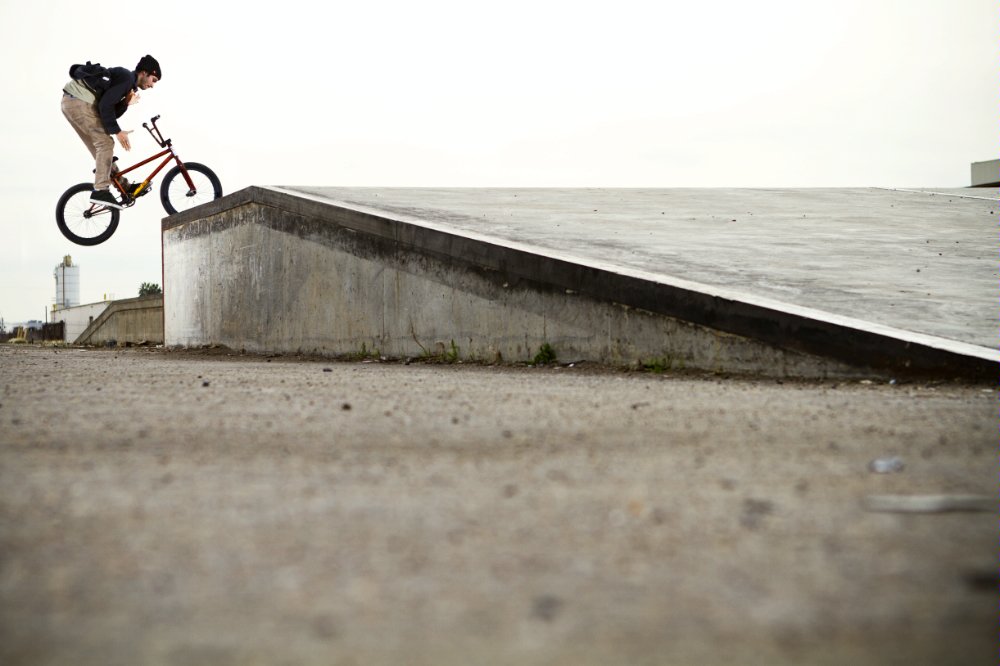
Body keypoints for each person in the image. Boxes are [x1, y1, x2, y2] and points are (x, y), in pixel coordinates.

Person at [61, 55, 161, 209]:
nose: (153, 85)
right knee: (105, 143)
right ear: (144, 73)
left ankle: (125, 187)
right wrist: (118, 131)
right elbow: (105, 107)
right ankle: (101, 190)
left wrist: (125, 103)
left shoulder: (128, 85)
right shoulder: (127, 78)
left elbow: (108, 112)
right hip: (79, 101)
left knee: (103, 150)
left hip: (73, 103)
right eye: (153, 80)